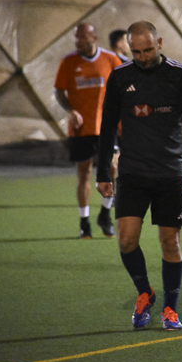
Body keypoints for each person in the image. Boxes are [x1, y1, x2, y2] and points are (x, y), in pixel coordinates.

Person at [96, 21, 182, 331]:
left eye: (148, 50)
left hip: (169, 173)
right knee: (126, 240)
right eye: (137, 52)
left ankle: (170, 308)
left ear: (159, 42)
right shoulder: (120, 77)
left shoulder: (179, 74)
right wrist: (103, 172)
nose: (143, 57)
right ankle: (145, 292)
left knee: (170, 243)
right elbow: (107, 126)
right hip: (132, 173)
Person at [54, 22, 122, 239]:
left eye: (82, 37)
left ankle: (105, 214)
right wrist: (71, 110)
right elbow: (59, 91)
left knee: (113, 167)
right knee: (84, 173)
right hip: (80, 129)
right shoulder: (68, 62)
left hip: (106, 126)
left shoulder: (110, 59)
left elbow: (123, 87)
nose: (78, 41)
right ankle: (84, 223)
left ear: (94, 38)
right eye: (76, 37)